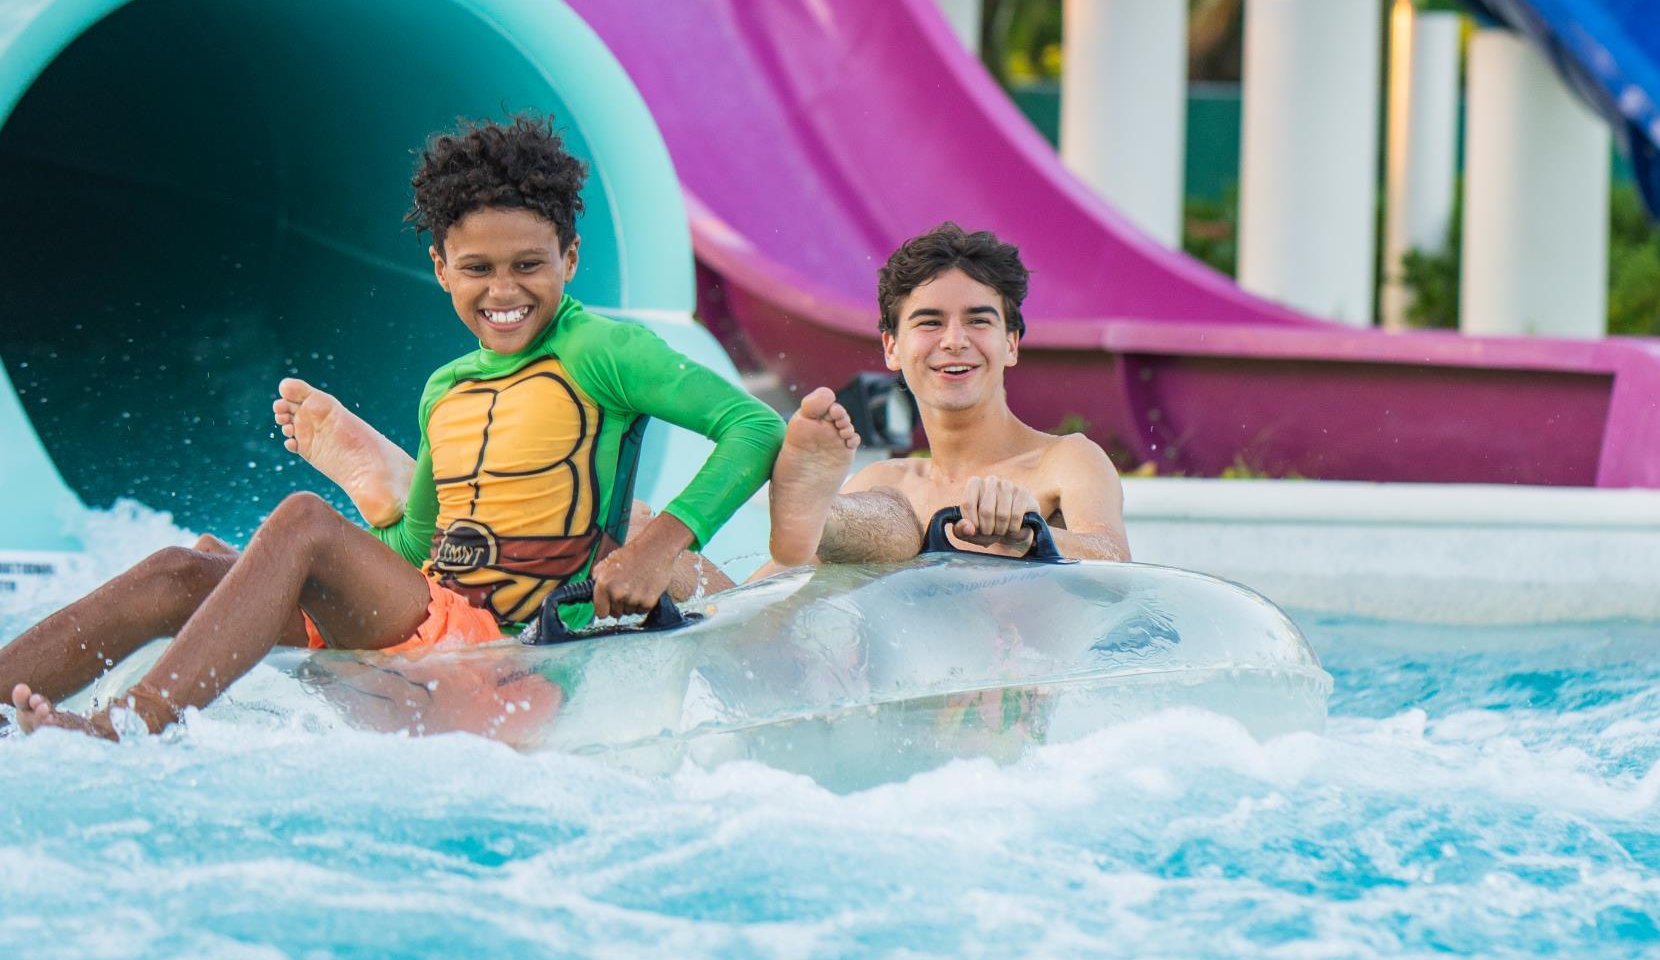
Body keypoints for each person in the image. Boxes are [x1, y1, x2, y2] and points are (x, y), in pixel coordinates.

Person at [4, 115, 845, 739]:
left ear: (571, 260)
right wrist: (250, 578)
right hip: (432, 614)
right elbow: (418, 547)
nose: (503, 289)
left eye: (529, 265)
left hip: (511, 648)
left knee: (300, 519)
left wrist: (658, 543)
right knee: (179, 570)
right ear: (440, 267)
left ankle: (132, 727)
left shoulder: (599, 349)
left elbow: (749, 424)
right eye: (477, 268)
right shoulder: (447, 389)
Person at [767, 223, 1131, 570]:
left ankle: (823, 522)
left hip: (1017, 636)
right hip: (905, 622)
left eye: (978, 321)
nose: (955, 341)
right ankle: (825, 521)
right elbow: (748, 601)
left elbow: (1114, 564)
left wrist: (1029, 534)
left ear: (1010, 343)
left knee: (897, 512)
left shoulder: (1063, 460)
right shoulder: (888, 481)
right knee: (891, 504)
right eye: (930, 322)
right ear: (892, 348)